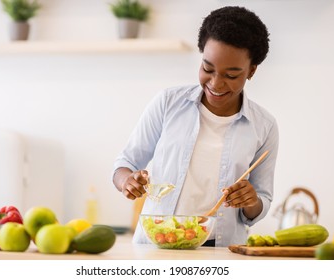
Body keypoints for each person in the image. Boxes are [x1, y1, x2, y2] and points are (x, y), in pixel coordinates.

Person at [112, 6, 279, 247]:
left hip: (221, 251)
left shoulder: (264, 126)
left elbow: (260, 203)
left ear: (251, 71)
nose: (216, 83)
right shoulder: (168, 103)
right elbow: (124, 165)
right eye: (207, 68)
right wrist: (127, 181)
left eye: (231, 76)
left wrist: (251, 201)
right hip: (156, 245)